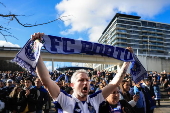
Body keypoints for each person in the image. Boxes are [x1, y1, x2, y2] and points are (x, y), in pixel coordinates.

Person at [32, 32, 132, 113]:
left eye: (87, 80)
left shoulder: (95, 99)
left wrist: (126, 62)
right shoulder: (65, 99)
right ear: (72, 85)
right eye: (81, 80)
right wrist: (36, 48)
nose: (85, 82)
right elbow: (46, 80)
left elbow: (115, 82)